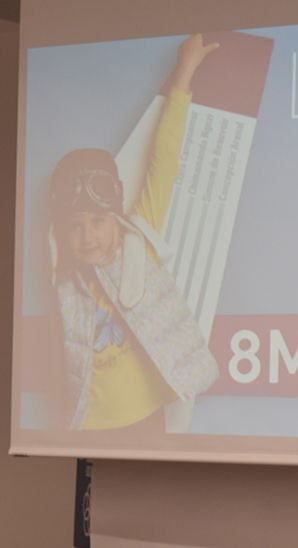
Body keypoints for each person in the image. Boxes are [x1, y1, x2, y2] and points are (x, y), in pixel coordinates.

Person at [48, 34, 220, 432]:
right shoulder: (63, 279)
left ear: (115, 216)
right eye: (75, 227)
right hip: (90, 425)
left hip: (147, 419)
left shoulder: (138, 241)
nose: (88, 236)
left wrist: (185, 72)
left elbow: (165, 161)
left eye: (97, 221)